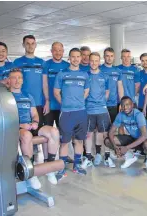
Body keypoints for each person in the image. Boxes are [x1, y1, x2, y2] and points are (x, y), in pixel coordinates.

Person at [8, 68, 60, 188]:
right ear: (9, 80)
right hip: (16, 127)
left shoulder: (28, 96)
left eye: (19, 78)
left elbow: (35, 114)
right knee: (27, 135)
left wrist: (35, 122)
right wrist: (21, 125)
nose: (17, 80)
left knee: (54, 131)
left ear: (22, 80)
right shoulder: (6, 96)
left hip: (31, 125)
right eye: (14, 78)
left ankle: (49, 167)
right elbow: (5, 117)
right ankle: (30, 172)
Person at [54, 48, 90, 178]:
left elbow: (86, 91)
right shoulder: (62, 74)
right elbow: (56, 92)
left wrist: (78, 101)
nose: (75, 59)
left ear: (81, 58)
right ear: (69, 58)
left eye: (78, 56)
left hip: (81, 112)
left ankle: (77, 166)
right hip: (66, 113)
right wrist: (64, 103)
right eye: (73, 57)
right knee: (64, 142)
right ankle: (62, 168)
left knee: (79, 141)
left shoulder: (85, 75)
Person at [105, 96, 147, 175]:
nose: (125, 107)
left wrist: (126, 147)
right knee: (108, 141)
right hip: (133, 138)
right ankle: (129, 156)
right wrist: (115, 147)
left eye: (128, 105)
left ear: (132, 105)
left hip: (144, 139)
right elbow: (111, 132)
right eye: (123, 105)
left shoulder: (138, 115)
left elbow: (144, 135)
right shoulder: (120, 115)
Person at [82, 52, 114, 169]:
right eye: (92, 60)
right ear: (89, 61)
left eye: (96, 61)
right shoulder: (85, 75)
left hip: (102, 109)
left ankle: (106, 157)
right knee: (88, 134)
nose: (94, 63)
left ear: (99, 61)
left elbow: (107, 92)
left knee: (104, 134)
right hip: (89, 110)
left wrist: (100, 103)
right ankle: (89, 157)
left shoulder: (105, 76)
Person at [13, 35, 45, 130]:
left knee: (37, 131)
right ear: (23, 45)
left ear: (35, 45)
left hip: (39, 102)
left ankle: (34, 146)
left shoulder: (42, 62)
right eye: (27, 43)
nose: (30, 46)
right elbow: (13, 81)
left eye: (32, 43)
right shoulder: (17, 62)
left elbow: (45, 83)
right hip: (22, 102)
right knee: (23, 133)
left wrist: (47, 100)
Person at [42, 42, 69, 128]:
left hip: (63, 105)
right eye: (55, 50)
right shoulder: (46, 64)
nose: (58, 52)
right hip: (48, 105)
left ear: (63, 51)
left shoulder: (67, 66)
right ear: (51, 51)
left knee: (63, 133)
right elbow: (45, 83)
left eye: (60, 50)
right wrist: (47, 100)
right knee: (47, 133)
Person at [100, 47, 124, 123]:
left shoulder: (118, 71)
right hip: (101, 104)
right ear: (104, 57)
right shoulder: (99, 69)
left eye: (111, 56)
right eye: (107, 56)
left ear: (114, 57)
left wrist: (122, 102)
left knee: (112, 129)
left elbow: (120, 87)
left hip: (113, 104)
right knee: (101, 130)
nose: (109, 58)